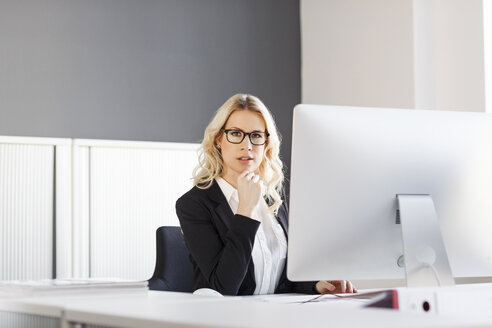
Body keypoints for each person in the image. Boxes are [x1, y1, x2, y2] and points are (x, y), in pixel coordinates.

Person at [176, 94, 357, 296]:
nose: (247, 146)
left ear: (266, 143)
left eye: (256, 135)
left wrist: (316, 285)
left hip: (273, 314)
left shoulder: (273, 197)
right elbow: (224, 287)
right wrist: (245, 211)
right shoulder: (194, 204)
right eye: (236, 134)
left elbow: (280, 279)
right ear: (219, 139)